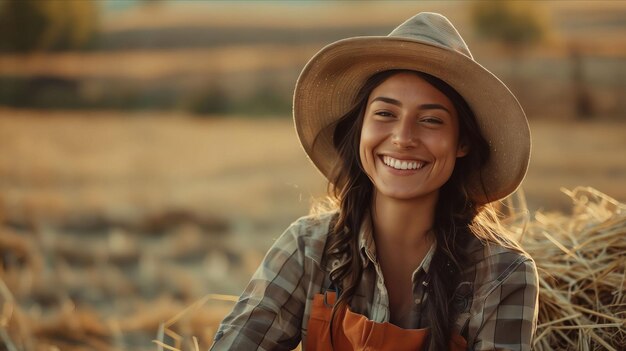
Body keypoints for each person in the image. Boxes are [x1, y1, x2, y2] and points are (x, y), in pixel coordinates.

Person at [211, 12, 539, 351]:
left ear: (462, 144)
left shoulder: (503, 274)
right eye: (385, 114)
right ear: (360, 131)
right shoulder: (307, 248)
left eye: (430, 120)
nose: (403, 138)